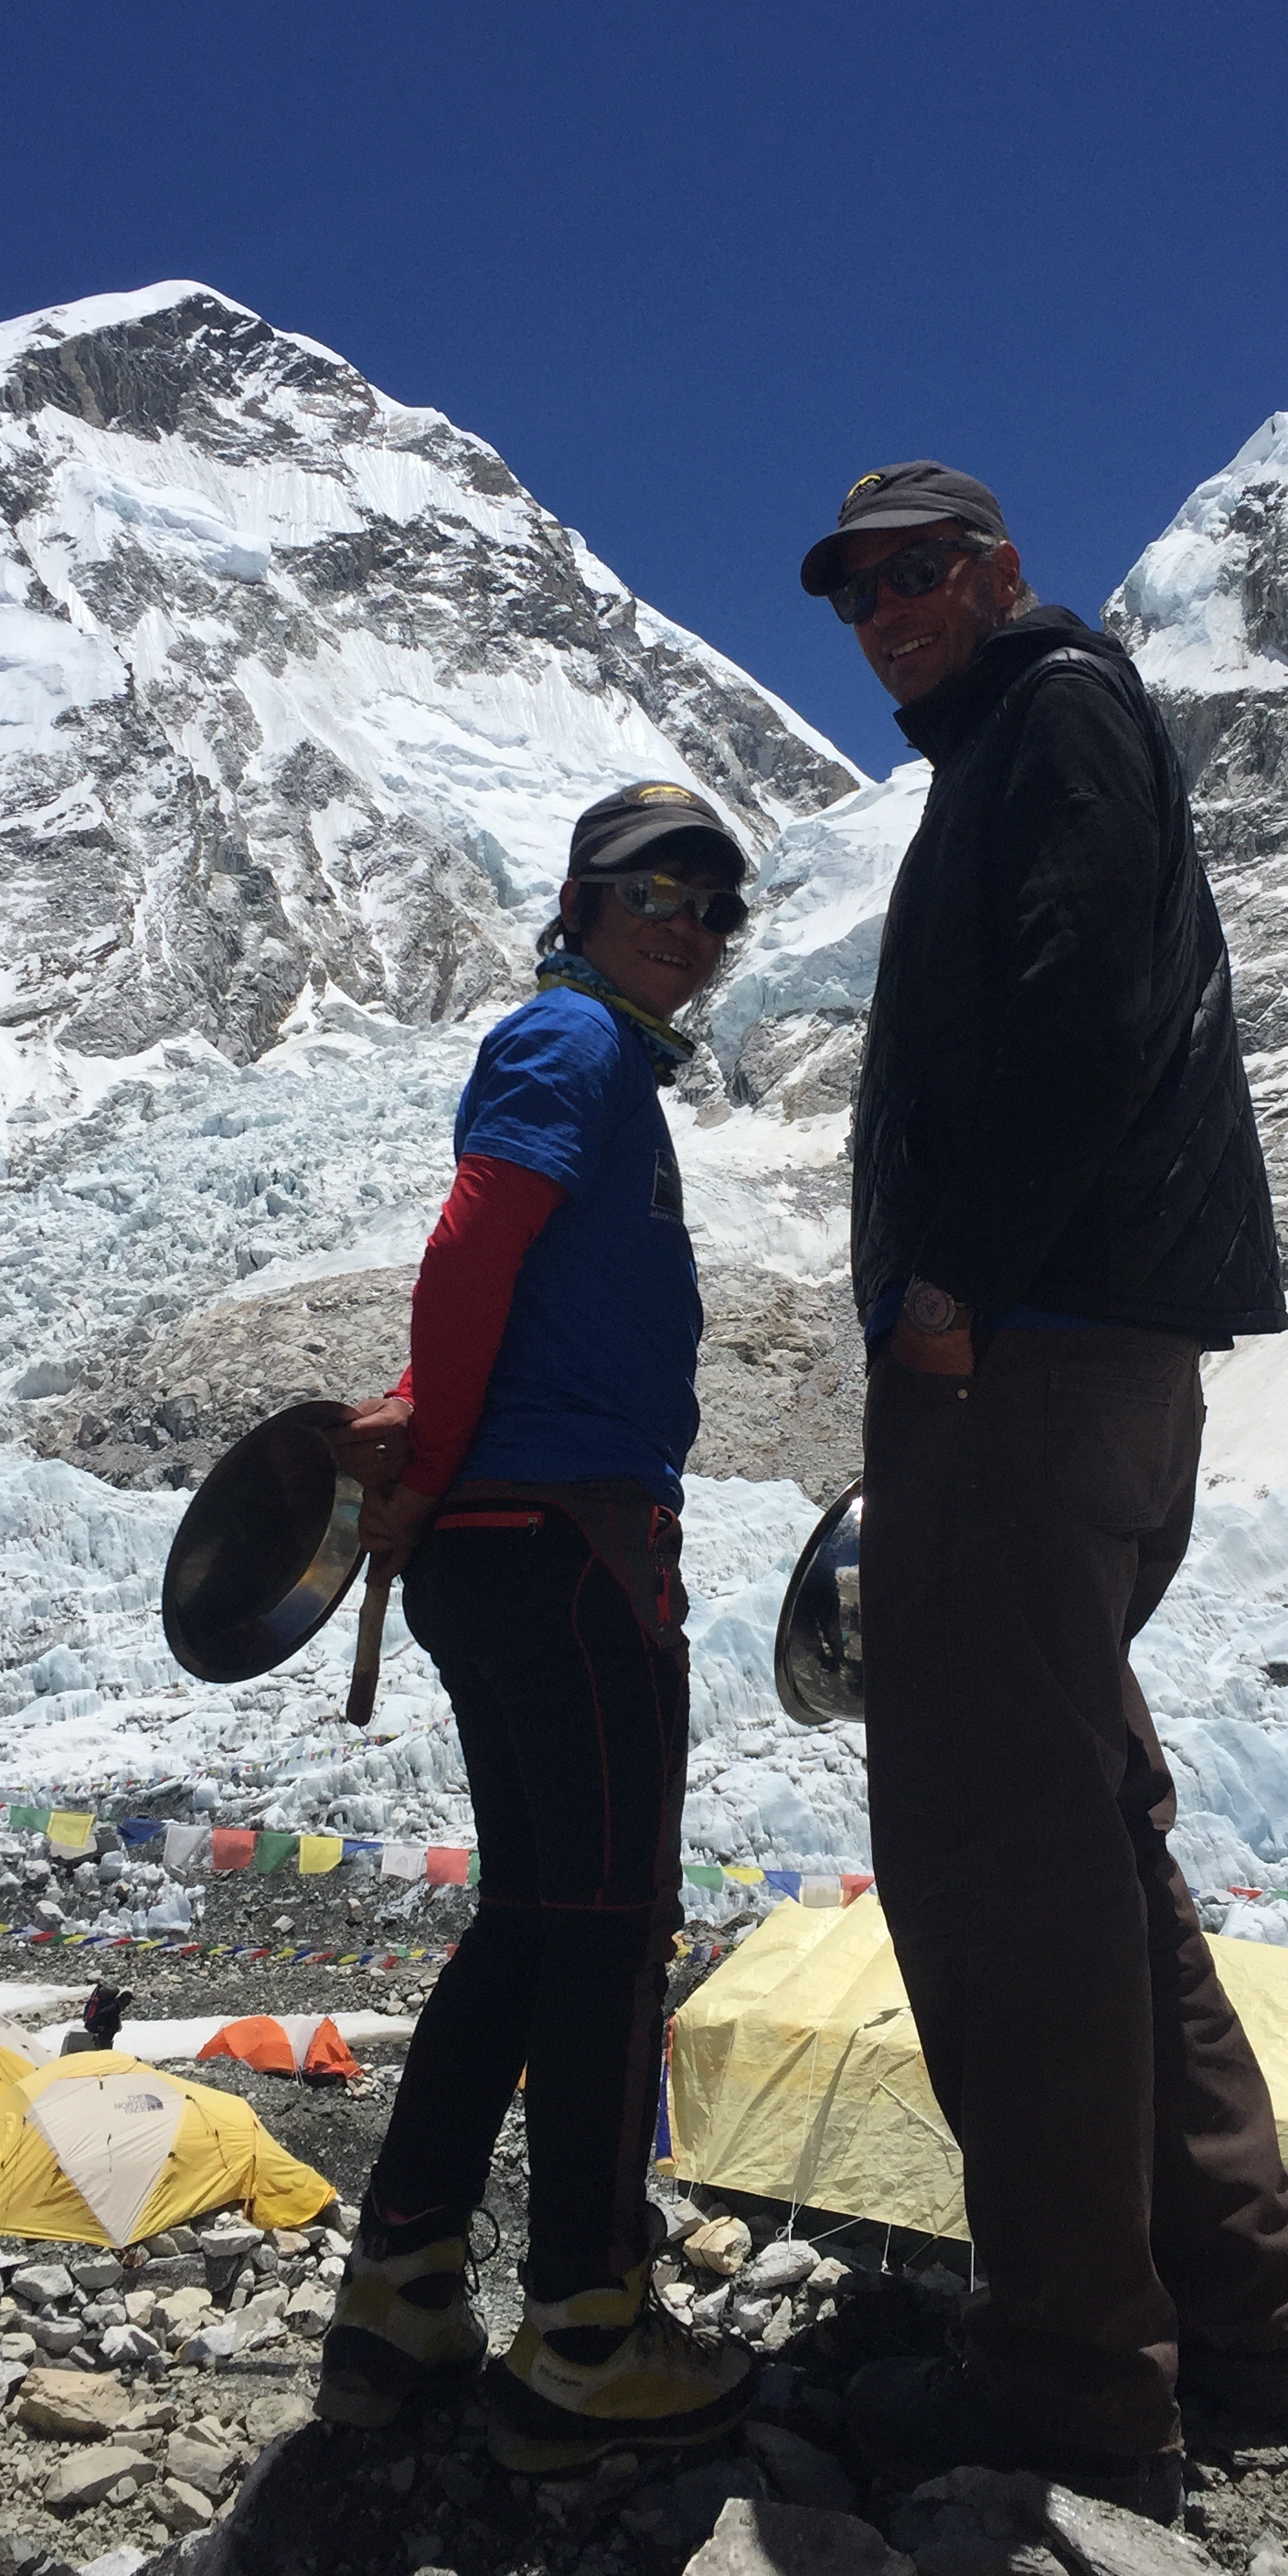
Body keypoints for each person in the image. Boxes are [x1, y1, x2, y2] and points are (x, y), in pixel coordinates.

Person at [796, 464, 1288, 2518]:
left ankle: (1071, 2380)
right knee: (1092, 1832)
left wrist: (955, 1280)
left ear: (999, 572)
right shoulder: (1020, 735)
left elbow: (1084, 1007)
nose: (891, 608)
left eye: (923, 571)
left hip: (1025, 1359)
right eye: (861, 591)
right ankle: (1251, 2326)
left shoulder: (1056, 710)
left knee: (996, 1861)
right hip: (1077, 1355)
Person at [314, 781, 761, 2475]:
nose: (693, 923)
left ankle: (404, 2290)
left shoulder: (598, 1061)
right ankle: (584, 2323)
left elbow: (498, 1293)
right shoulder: (570, 1047)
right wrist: (424, 1461)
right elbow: (473, 1243)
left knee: (534, 1919)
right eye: (660, 887)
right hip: (572, 1550)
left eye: (721, 906)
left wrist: (432, 1439)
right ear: (583, 898)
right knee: (609, 1929)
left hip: (515, 1548)